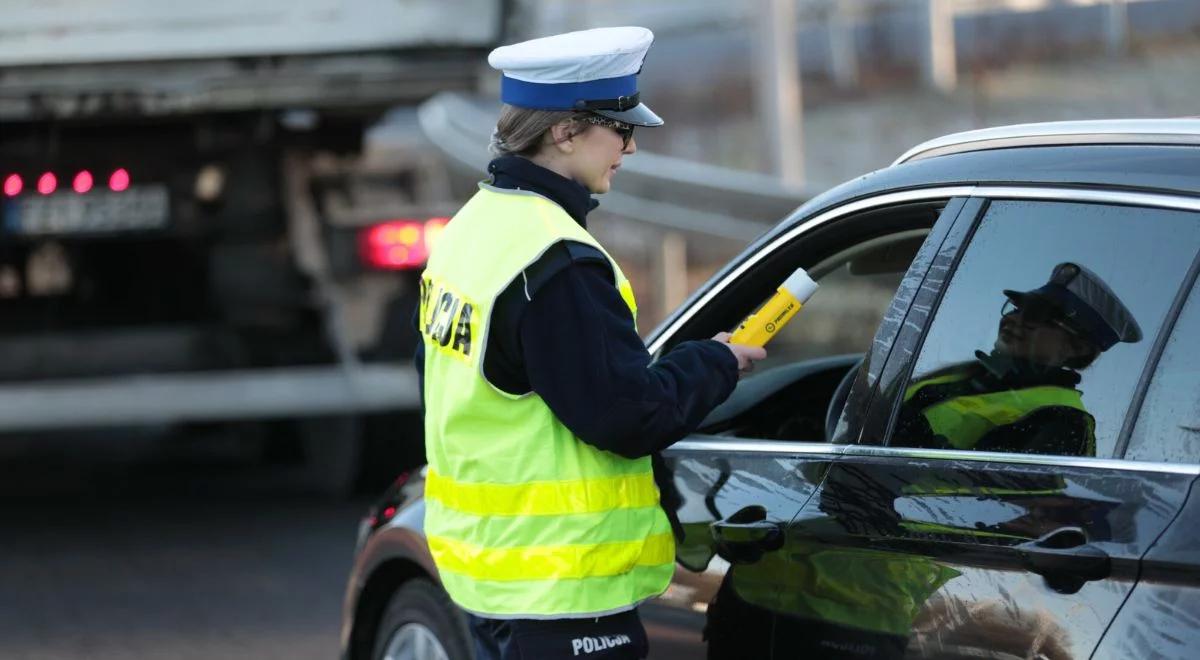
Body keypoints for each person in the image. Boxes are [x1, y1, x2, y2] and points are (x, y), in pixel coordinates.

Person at [413, 27, 765, 659]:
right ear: (565, 131)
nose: (628, 150)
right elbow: (628, 414)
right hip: (560, 590)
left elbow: (443, 382)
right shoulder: (559, 260)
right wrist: (714, 362)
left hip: (487, 576)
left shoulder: (472, 229)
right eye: (621, 131)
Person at [894, 261, 1142, 456]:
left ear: (1077, 347)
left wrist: (910, 437)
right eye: (1016, 308)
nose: (1014, 319)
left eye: (1037, 316)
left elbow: (999, 502)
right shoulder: (975, 375)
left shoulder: (1064, 420)